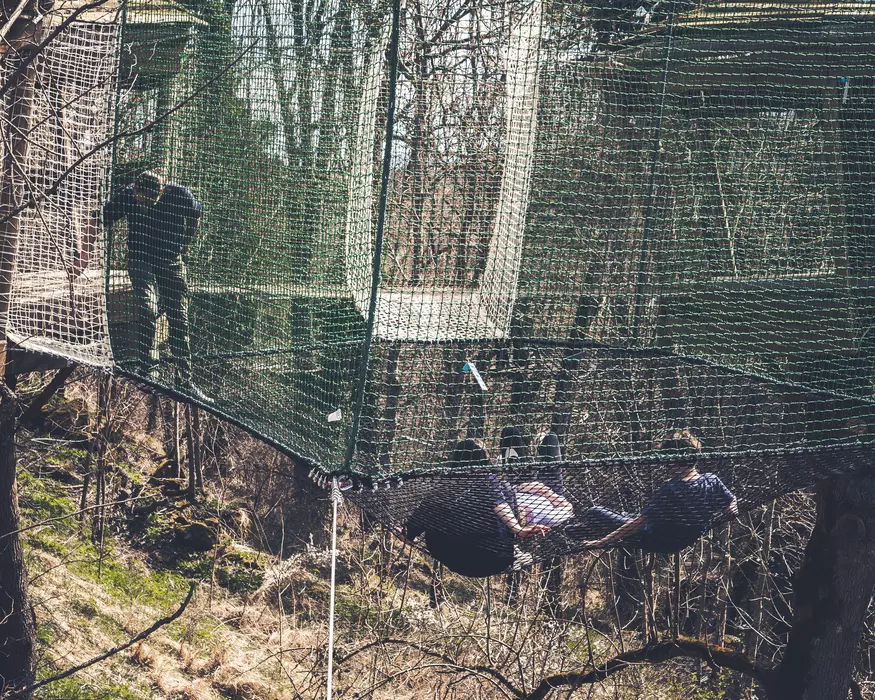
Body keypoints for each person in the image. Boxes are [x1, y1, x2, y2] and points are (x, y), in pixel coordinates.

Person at [102, 171, 211, 403]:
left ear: (161, 192)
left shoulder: (180, 195)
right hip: (141, 260)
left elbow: (195, 216)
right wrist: (81, 257)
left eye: (147, 200)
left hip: (171, 261)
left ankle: (185, 381)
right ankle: (148, 370)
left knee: (179, 318)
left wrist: (185, 246)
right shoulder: (127, 195)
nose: (142, 204)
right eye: (139, 198)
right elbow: (99, 219)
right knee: (148, 307)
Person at [400, 433, 573, 577]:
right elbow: (499, 504)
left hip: (450, 556)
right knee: (545, 445)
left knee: (513, 443)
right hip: (492, 559)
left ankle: (529, 450)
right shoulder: (491, 483)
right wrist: (518, 529)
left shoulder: (440, 492)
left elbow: (407, 536)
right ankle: (542, 442)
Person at [563, 430, 738, 553]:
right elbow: (732, 503)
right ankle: (588, 531)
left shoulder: (673, 489)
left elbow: (638, 523)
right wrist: (731, 509)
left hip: (655, 540)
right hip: (681, 541)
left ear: (672, 462)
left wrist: (599, 543)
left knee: (595, 512)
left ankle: (591, 532)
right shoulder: (711, 481)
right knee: (624, 515)